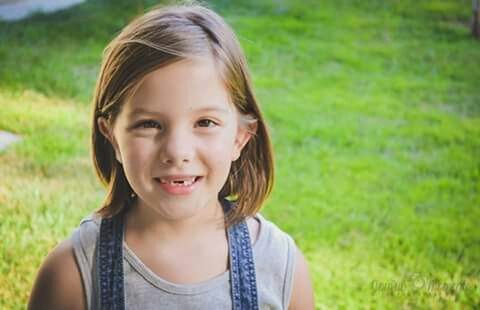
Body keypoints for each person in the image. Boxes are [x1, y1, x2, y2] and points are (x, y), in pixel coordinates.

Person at [28, 2, 315, 309]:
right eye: (149, 124)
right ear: (111, 136)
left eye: (205, 123)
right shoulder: (72, 274)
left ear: (240, 137)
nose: (177, 151)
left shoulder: (281, 267)